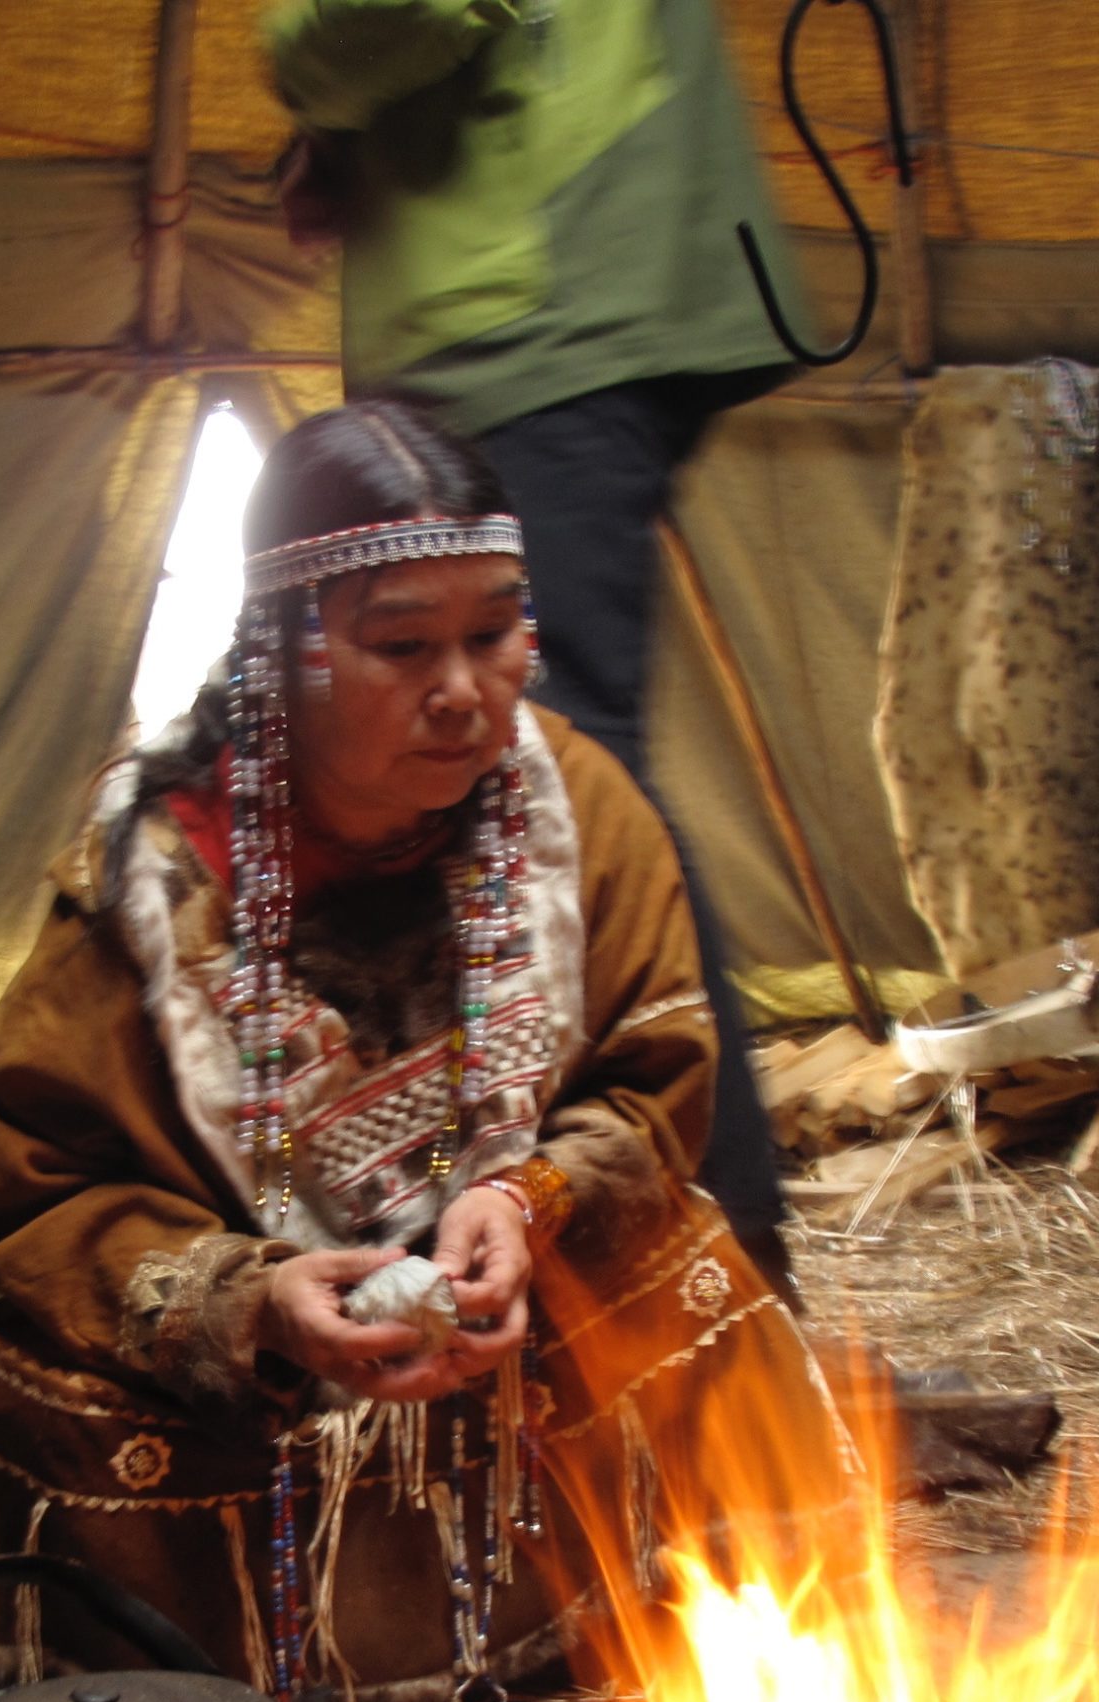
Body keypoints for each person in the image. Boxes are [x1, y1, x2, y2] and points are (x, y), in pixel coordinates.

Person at [0, 401, 830, 1702]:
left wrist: (527, 1201)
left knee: (691, 1265)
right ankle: (215, 1677)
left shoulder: (570, 804)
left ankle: (597, 1613)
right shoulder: (152, 888)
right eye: (403, 644)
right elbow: (35, 1180)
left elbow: (657, 1075)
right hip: (267, 1361)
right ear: (281, 657)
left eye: (497, 630)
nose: (466, 688)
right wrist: (246, 1303)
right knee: (12, 1375)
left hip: (510, 1300)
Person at [260, 0, 807, 1297]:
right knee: (526, 780)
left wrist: (314, 76)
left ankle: (718, 1289)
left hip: (530, 303)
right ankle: (596, 1261)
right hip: (586, 281)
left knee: (546, 779)